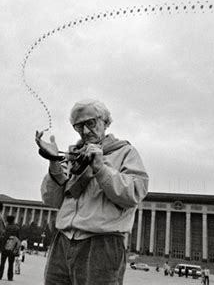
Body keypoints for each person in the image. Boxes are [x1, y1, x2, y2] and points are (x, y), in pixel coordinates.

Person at [36, 99, 149, 285]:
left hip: (101, 244)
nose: (85, 131)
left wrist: (101, 168)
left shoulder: (124, 152)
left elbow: (135, 194)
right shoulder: (73, 156)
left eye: (91, 123)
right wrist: (54, 162)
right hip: (63, 241)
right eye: (79, 126)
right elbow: (52, 200)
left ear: (105, 122)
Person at [0, 215, 21, 281]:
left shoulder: (5, 227)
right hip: (12, 249)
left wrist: (0, 247)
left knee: (2, 262)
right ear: (13, 220)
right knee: (11, 263)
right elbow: (18, 239)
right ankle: (10, 277)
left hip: (5, 247)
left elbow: (2, 238)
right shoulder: (17, 228)